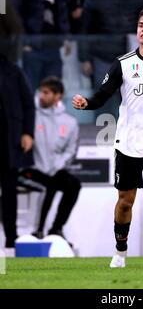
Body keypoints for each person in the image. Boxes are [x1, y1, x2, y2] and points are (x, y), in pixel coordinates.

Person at [73, 6, 143, 268]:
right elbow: (102, 96)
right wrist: (86, 103)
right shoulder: (123, 64)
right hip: (128, 140)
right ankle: (120, 251)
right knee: (126, 201)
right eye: (140, 25)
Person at [19, 77, 81, 240]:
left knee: (73, 185)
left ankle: (56, 228)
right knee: (50, 185)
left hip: (54, 170)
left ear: (57, 96)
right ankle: (38, 230)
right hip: (31, 169)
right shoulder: (31, 116)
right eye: (40, 92)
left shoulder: (70, 122)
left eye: (46, 93)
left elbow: (71, 151)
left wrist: (56, 167)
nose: (41, 96)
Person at [0, 53, 35, 249]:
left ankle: (10, 238)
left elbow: (28, 104)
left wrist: (28, 133)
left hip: (8, 143)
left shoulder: (13, 71)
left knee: (9, 193)